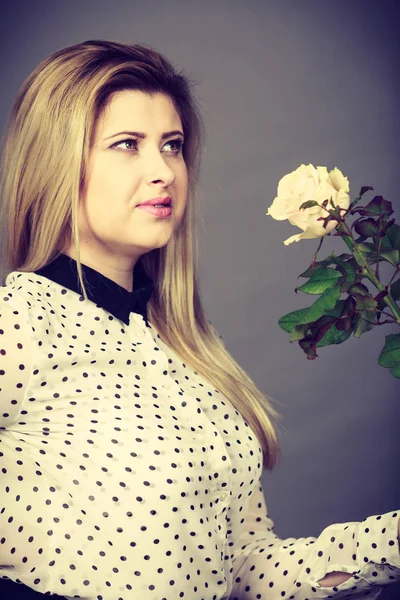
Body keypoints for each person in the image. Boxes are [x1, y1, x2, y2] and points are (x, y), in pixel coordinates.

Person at [0, 39, 399, 600]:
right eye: (127, 145)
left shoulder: (193, 351)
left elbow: (245, 568)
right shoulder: (16, 322)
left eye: (172, 145)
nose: (162, 170)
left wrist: (389, 544)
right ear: (57, 163)